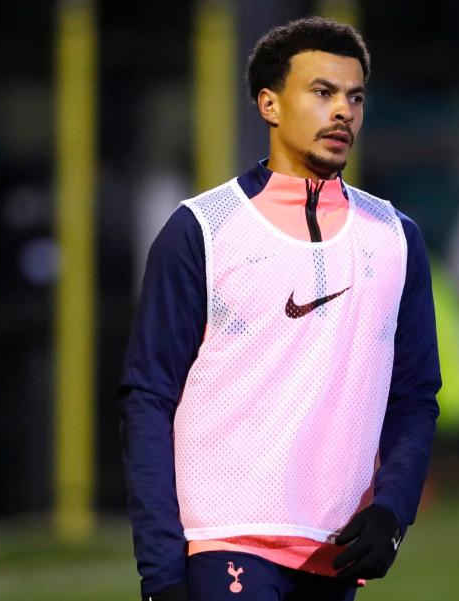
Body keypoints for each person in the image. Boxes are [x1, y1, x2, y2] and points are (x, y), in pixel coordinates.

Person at [119, 16, 440, 601]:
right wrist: (162, 572)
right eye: (322, 93)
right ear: (269, 104)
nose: (343, 111)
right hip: (224, 543)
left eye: (355, 97)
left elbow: (415, 398)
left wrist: (392, 512)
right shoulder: (203, 231)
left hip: (334, 554)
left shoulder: (396, 238)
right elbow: (148, 399)